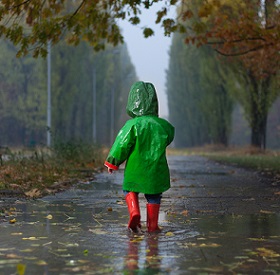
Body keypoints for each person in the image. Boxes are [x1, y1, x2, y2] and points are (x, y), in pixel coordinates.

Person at [104, 81, 175, 232]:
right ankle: (153, 225)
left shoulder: (132, 125)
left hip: (135, 169)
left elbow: (122, 144)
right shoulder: (162, 125)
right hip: (156, 169)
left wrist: (112, 162)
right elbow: (169, 135)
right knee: (154, 195)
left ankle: (134, 212)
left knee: (129, 189)